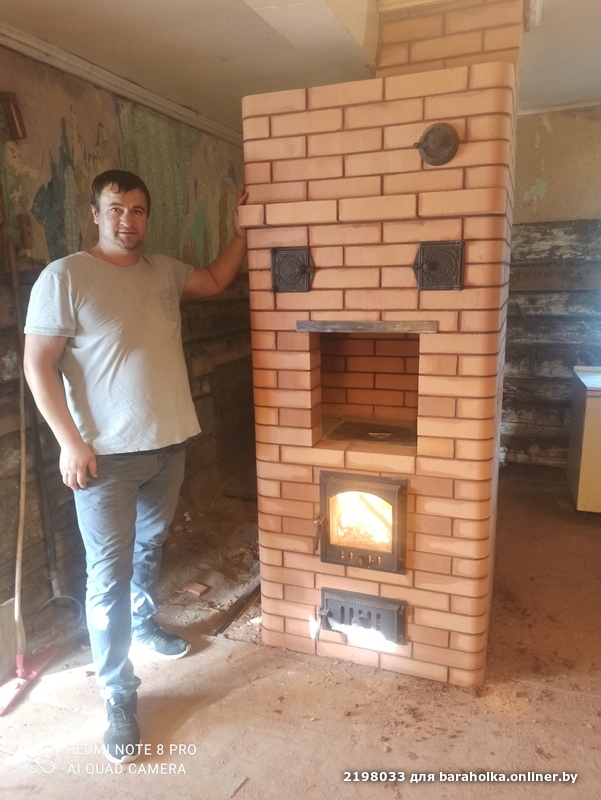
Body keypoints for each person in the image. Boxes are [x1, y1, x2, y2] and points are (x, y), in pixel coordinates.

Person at [23, 169, 248, 764]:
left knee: (149, 548)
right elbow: (38, 364)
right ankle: (118, 693)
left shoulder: (164, 271)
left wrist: (241, 233)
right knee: (108, 576)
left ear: (148, 217)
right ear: (95, 214)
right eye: (117, 209)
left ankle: (144, 624)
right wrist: (69, 442)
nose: (128, 220)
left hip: (167, 445)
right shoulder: (65, 277)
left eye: (138, 210)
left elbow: (216, 279)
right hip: (104, 459)